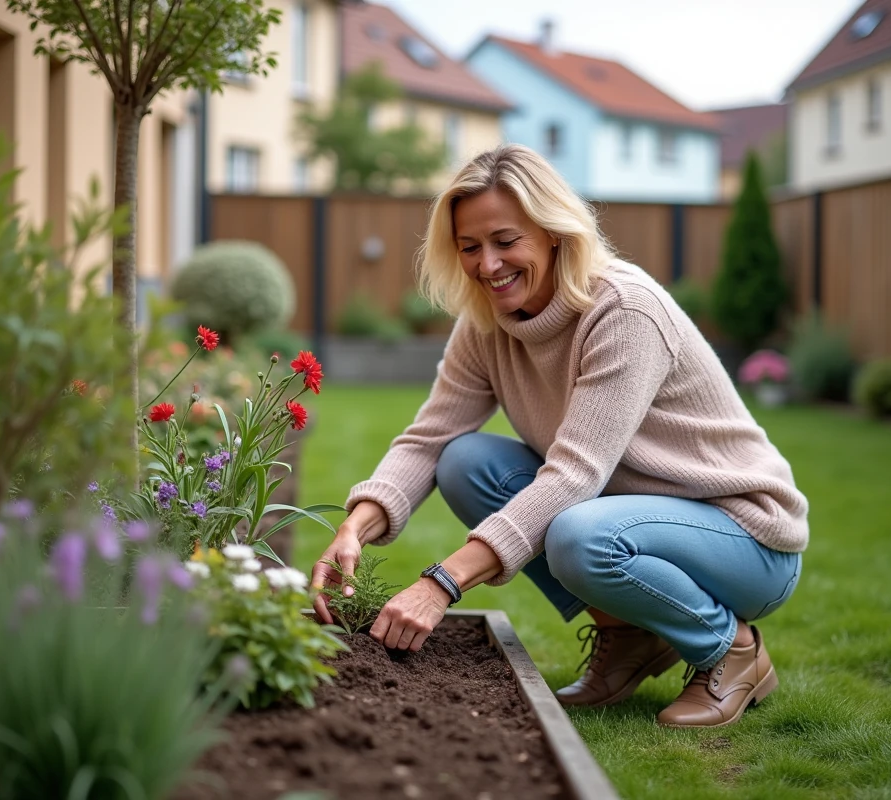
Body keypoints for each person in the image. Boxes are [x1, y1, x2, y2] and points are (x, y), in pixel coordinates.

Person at [310, 144, 808, 729]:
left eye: (506, 241)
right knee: (464, 460)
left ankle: (732, 648)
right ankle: (628, 636)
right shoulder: (487, 323)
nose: (488, 265)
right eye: (469, 247)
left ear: (552, 232)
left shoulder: (624, 311)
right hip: (630, 518)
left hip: (743, 537)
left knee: (577, 532)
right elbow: (428, 438)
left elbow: (575, 476)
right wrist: (356, 525)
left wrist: (441, 583)